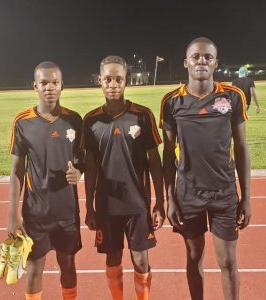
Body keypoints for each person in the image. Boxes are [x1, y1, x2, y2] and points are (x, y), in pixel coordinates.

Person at [160, 37, 251, 300]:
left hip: (224, 193)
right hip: (188, 195)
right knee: (193, 258)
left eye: (208, 57)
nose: (202, 60)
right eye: (196, 56)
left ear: (216, 63)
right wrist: (170, 198)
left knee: (229, 262)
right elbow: (168, 154)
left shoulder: (233, 96)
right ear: (185, 62)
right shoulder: (171, 102)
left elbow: (242, 149)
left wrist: (246, 197)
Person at [83, 55, 165, 300]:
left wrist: (159, 202)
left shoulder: (143, 115)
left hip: (137, 204)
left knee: (141, 258)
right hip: (107, 205)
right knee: (113, 257)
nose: (113, 83)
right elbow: (90, 168)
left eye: (118, 78)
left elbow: (154, 162)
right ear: (100, 81)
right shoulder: (91, 120)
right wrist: (89, 206)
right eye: (108, 79)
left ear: (126, 81)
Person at [8, 61, 84, 300]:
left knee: (68, 265)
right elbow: (17, 170)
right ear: (35, 86)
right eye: (44, 83)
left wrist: (79, 172)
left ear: (63, 86)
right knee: (33, 269)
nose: (49, 87)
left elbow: (82, 159)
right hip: (36, 213)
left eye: (54, 82)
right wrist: (13, 214)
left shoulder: (75, 120)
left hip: (67, 211)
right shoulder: (23, 122)